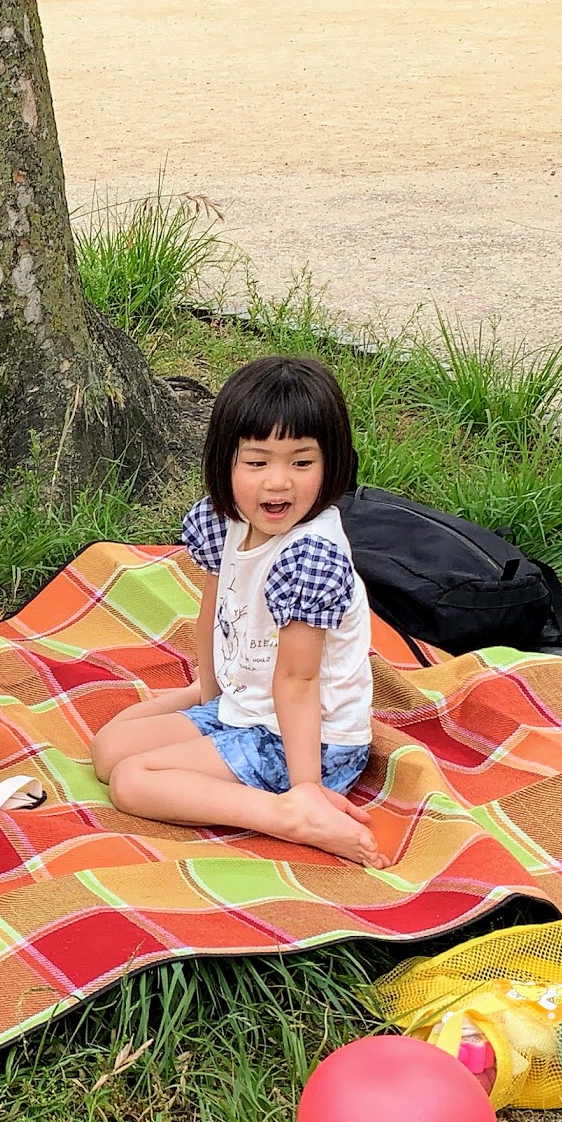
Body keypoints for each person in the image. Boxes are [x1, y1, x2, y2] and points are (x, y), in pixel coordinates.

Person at [88, 356, 387, 867]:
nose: (278, 483)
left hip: (305, 741)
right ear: (225, 462)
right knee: (108, 749)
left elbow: (297, 680)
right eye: (258, 462)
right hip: (246, 708)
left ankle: (289, 814)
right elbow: (214, 611)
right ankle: (216, 714)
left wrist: (307, 786)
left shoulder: (309, 556)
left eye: (301, 461)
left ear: (332, 462)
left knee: (132, 782)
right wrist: (207, 691)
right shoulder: (224, 521)